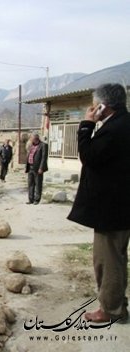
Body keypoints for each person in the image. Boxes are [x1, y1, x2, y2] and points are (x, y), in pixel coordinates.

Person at [67, 83, 130, 323]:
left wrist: (86, 125)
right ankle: (118, 304)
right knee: (117, 258)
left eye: (96, 105)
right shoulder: (124, 124)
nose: (93, 108)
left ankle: (111, 311)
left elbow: (89, 156)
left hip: (111, 210)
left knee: (108, 261)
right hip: (121, 207)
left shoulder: (114, 129)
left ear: (104, 106)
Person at [25, 133, 48, 204]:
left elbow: (44, 158)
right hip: (30, 167)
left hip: (38, 168)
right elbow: (29, 154)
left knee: (38, 184)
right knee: (30, 184)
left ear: (35, 138)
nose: (30, 140)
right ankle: (30, 199)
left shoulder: (43, 145)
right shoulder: (31, 145)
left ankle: (37, 200)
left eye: (31, 139)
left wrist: (41, 168)